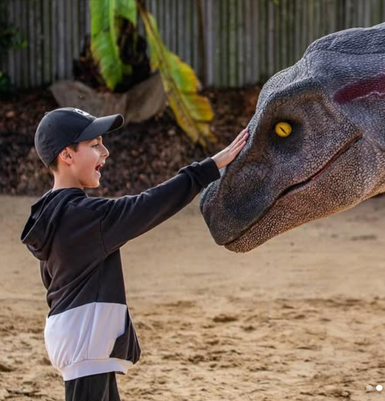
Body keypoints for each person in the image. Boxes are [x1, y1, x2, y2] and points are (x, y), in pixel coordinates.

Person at [21, 107, 248, 401]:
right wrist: (208, 168)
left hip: (77, 338)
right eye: (94, 145)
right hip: (85, 342)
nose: (105, 152)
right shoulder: (84, 218)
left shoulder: (51, 213)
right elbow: (147, 206)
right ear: (67, 155)